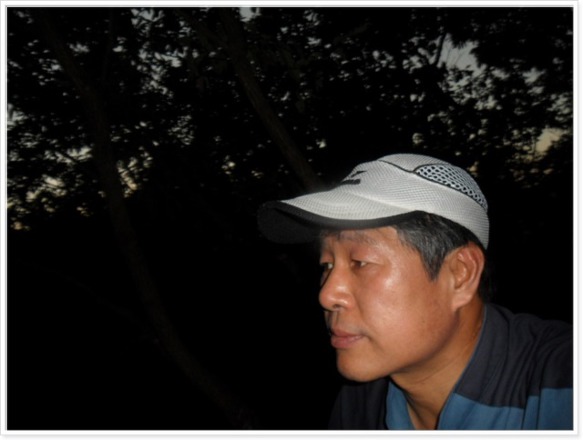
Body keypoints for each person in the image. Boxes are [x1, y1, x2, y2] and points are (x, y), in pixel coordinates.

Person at [257, 153, 573, 430]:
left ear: (460, 274)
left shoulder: (562, 384)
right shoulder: (360, 403)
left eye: (360, 262)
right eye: (326, 265)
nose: (326, 296)